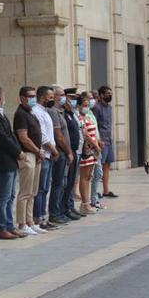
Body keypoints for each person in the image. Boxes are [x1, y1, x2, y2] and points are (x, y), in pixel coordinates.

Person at [0, 85, 24, 240]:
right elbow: (2, 138)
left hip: (11, 160)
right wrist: (18, 151)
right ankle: (1, 227)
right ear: (0, 97)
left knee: (11, 195)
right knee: (4, 196)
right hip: (4, 161)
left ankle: (9, 225)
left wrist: (17, 151)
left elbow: (11, 135)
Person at [14, 86, 43, 236]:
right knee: (25, 192)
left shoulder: (31, 113)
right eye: (30, 96)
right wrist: (37, 150)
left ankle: (30, 221)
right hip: (28, 155)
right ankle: (21, 223)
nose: (33, 99)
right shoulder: (20, 114)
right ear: (22, 97)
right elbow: (23, 138)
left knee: (33, 192)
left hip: (36, 155)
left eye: (34, 96)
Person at [31, 86, 59, 231]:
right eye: (50, 97)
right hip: (45, 154)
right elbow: (42, 136)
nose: (53, 99)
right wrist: (54, 150)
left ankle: (43, 217)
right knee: (40, 189)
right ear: (42, 97)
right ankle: (38, 219)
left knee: (44, 188)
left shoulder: (45, 112)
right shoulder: (37, 112)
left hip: (49, 155)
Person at [47, 86, 73, 226]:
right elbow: (58, 135)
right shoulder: (52, 111)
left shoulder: (61, 111)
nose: (64, 97)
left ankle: (61, 211)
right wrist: (68, 152)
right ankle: (54, 213)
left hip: (63, 153)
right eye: (61, 95)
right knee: (58, 183)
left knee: (62, 183)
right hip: (60, 152)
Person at [60, 88, 85, 221]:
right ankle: (64, 209)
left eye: (76, 98)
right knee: (65, 182)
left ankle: (70, 207)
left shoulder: (71, 113)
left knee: (71, 182)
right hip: (69, 151)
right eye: (72, 98)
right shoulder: (64, 113)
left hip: (76, 151)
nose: (74, 101)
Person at [92, 86, 118, 199]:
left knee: (107, 165)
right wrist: (98, 140)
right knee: (98, 167)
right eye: (107, 93)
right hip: (101, 141)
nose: (110, 95)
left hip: (109, 141)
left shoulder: (110, 107)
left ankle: (106, 190)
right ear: (101, 95)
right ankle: (95, 191)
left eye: (110, 93)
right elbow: (94, 124)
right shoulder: (96, 108)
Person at [77, 94, 100, 215]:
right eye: (84, 105)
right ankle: (85, 204)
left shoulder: (87, 117)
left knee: (88, 177)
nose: (87, 107)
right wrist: (95, 145)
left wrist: (96, 146)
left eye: (87, 105)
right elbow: (85, 134)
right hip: (87, 150)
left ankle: (87, 203)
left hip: (92, 151)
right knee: (84, 177)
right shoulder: (80, 118)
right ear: (79, 106)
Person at [86, 91, 104, 210]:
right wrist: (95, 145)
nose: (94, 100)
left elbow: (95, 130)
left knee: (98, 173)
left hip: (96, 146)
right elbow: (86, 133)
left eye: (94, 98)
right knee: (91, 175)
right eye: (91, 98)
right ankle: (91, 200)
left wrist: (99, 141)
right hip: (90, 148)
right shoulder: (83, 114)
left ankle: (94, 198)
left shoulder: (91, 113)